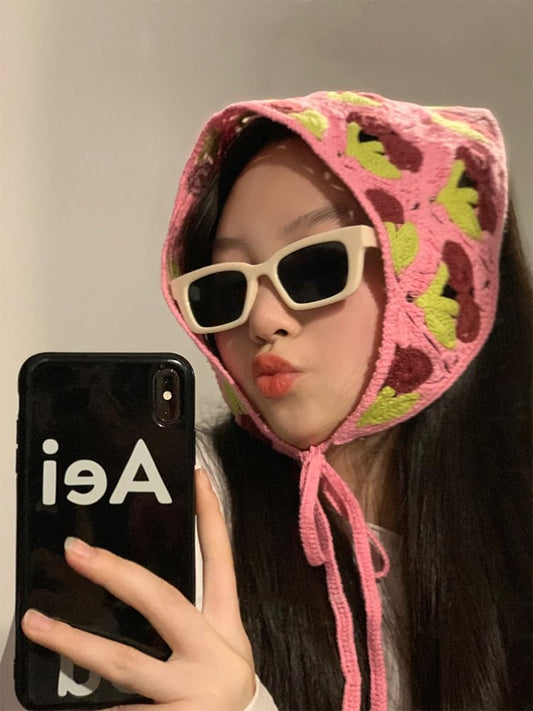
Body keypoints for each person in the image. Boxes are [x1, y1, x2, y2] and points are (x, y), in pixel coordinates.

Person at [22, 90, 532, 711]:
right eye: (224, 288)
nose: (263, 320)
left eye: (315, 268)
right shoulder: (171, 500)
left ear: (434, 277)